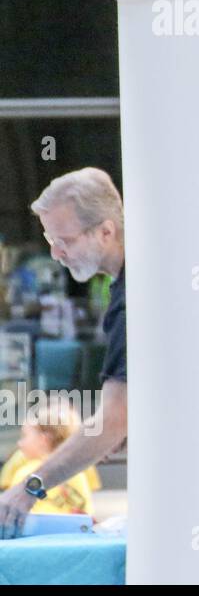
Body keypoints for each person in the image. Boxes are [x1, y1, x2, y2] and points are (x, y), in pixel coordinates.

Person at [0, 168, 129, 539]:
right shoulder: (127, 285)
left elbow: (113, 421)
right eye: (49, 239)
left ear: (106, 231)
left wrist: (28, 489)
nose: (55, 254)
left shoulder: (133, 297)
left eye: (66, 240)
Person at [0, 400, 98, 517]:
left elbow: (12, 513)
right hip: (72, 533)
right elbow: (87, 513)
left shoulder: (26, 474)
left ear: (43, 439)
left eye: (24, 436)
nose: (20, 443)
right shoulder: (76, 473)